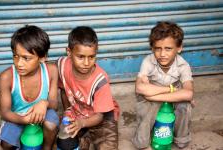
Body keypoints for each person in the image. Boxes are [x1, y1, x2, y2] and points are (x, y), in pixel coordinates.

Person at [133, 21, 194, 150]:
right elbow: (140, 88)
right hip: (170, 93)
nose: (162, 54)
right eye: (158, 49)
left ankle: (181, 139)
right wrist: (170, 90)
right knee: (147, 105)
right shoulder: (148, 61)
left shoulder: (183, 65)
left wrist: (153, 95)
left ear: (179, 48)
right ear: (152, 48)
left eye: (168, 49)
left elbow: (188, 93)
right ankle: (142, 142)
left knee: (185, 105)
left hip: (156, 95)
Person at [57, 26, 120, 150]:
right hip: (78, 113)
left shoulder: (100, 81)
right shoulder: (62, 66)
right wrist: (67, 112)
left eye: (91, 57)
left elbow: (100, 116)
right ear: (69, 52)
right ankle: (85, 138)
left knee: (107, 147)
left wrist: (82, 123)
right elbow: (63, 89)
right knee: (64, 143)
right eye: (80, 57)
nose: (86, 63)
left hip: (101, 117)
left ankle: (89, 136)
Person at [0, 25, 59, 150]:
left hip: (43, 114)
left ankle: (47, 147)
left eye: (26, 58)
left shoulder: (51, 71)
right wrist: (24, 120)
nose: (19, 63)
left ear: (42, 57)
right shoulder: (6, 77)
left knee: (51, 124)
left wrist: (44, 103)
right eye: (15, 56)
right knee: (6, 144)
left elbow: (54, 104)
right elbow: (5, 113)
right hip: (18, 116)